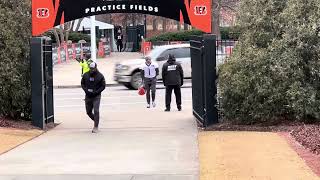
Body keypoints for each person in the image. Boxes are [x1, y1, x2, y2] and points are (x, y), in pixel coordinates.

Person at [81, 62, 106, 133]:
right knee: (88, 112)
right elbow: (82, 83)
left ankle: (96, 127)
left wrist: (97, 92)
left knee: (96, 110)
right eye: (91, 68)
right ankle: (96, 120)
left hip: (96, 96)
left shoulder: (100, 76)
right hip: (88, 96)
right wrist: (86, 91)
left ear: (96, 67)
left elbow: (103, 86)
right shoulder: (85, 75)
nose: (92, 70)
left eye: (93, 68)